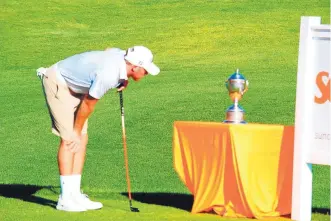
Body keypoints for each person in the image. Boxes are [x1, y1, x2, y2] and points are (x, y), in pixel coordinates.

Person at [36, 46, 160, 212]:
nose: (146, 74)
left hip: (76, 87)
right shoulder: (108, 75)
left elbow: (109, 50)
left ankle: (74, 194)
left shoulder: (122, 57)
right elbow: (88, 103)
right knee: (69, 139)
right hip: (58, 82)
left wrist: (123, 79)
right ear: (135, 66)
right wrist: (75, 131)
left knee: (82, 138)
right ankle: (65, 199)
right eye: (145, 70)